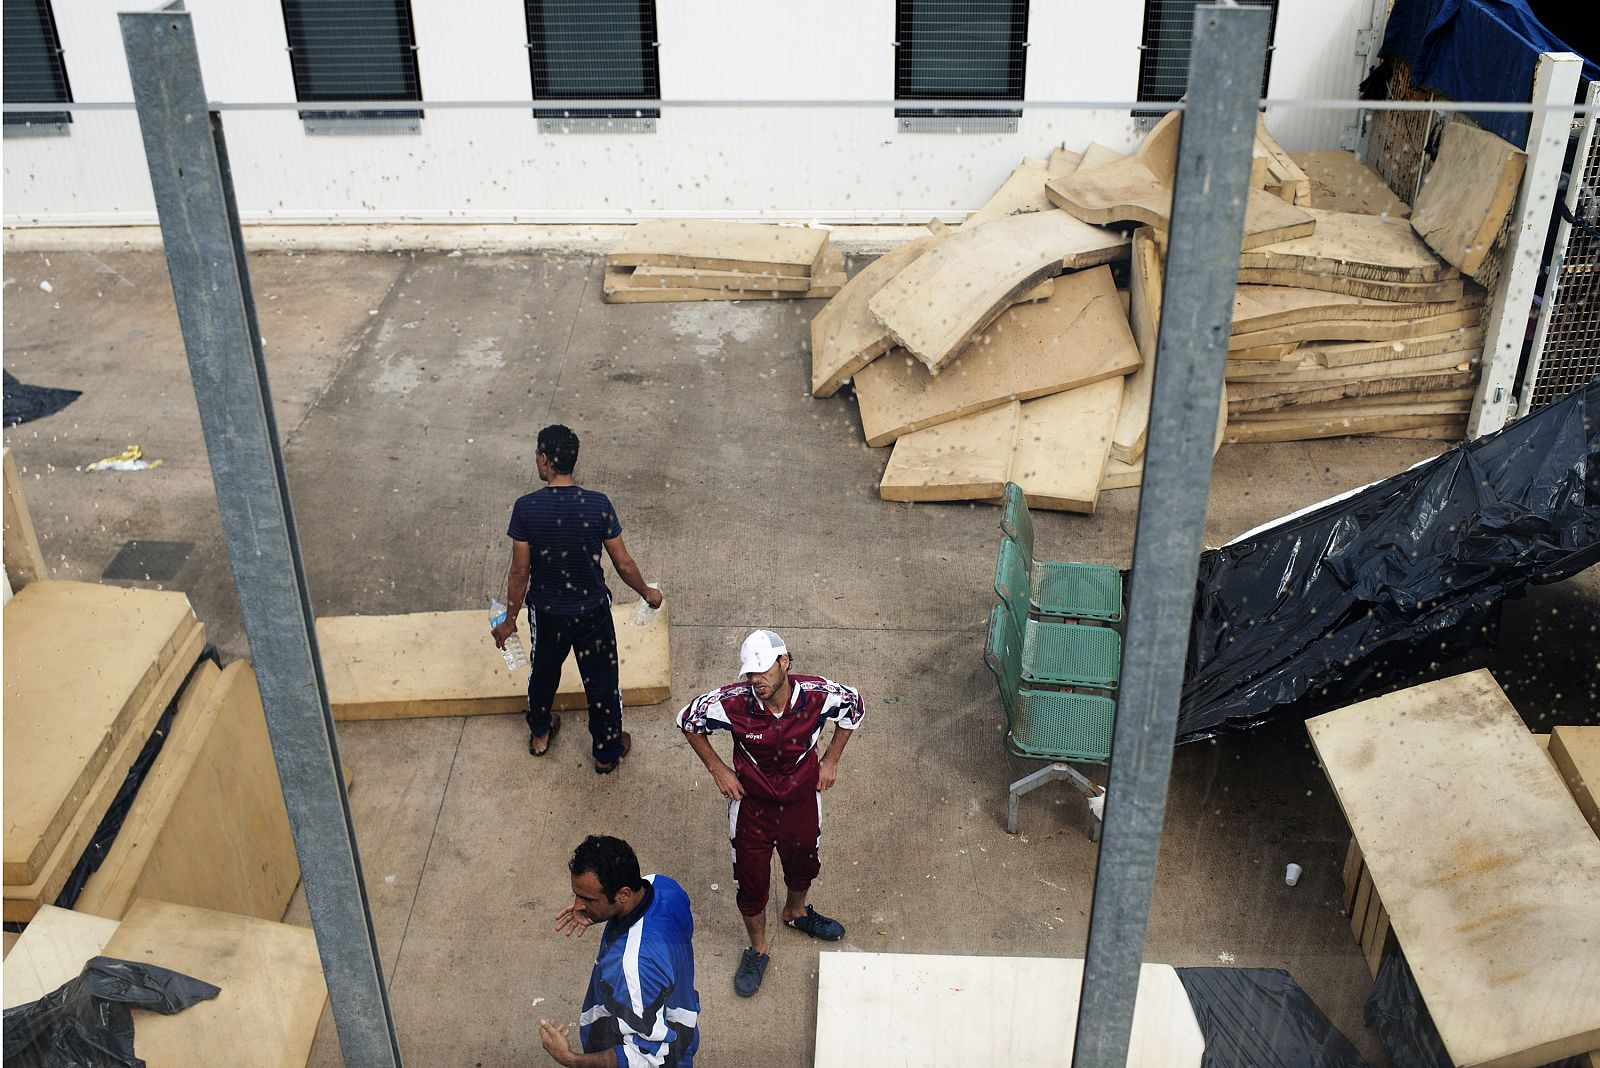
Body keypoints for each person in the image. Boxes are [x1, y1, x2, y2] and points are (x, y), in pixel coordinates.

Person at [675, 629, 864, 997]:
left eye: (762, 671)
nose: (755, 681)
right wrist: (718, 769)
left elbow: (855, 706)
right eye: (749, 673)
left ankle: (796, 913)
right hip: (752, 811)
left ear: (784, 662)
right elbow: (687, 721)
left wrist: (831, 760)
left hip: (801, 803)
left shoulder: (818, 695)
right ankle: (758, 947)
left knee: (803, 865)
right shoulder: (731, 703)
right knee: (751, 884)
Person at [492, 424, 662, 773]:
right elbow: (623, 563)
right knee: (601, 682)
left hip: (548, 612)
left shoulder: (526, 509)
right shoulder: (597, 505)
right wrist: (647, 593)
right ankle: (606, 752)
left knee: (543, 673)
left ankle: (540, 735)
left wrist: (510, 620)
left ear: (545, 460)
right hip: (592, 613)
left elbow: (519, 573)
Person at [539, 835, 700, 1068]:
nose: (577, 906)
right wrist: (597, 912)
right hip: (676, 1017)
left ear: (623, 895)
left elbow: (649, 1057)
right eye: (577, 895)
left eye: (588, 899)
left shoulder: (634, 967)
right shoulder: (662, 886)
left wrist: (570, 1059)